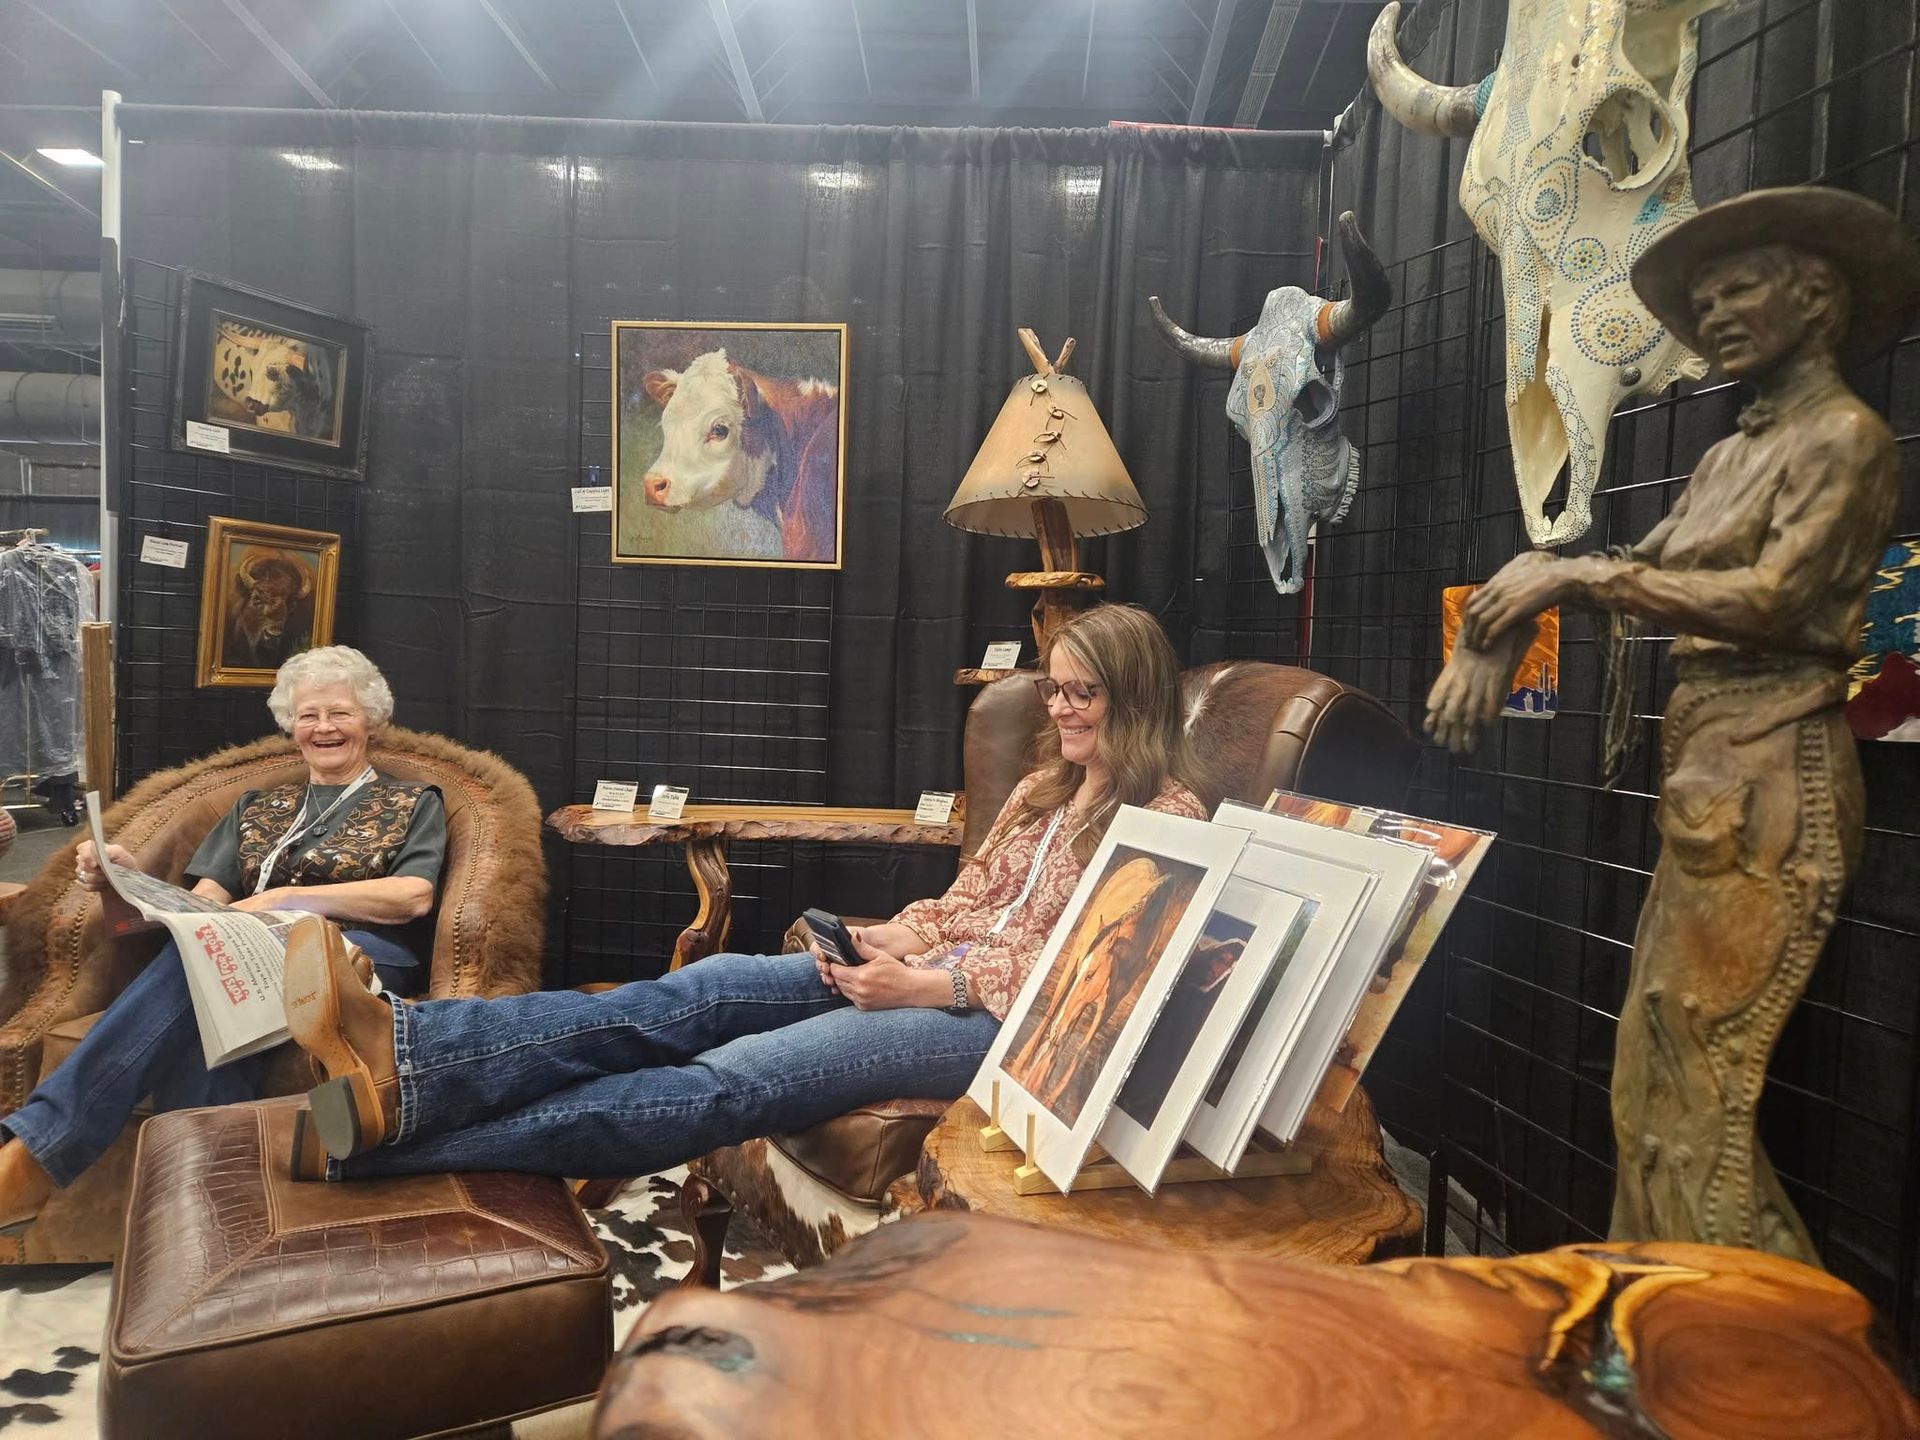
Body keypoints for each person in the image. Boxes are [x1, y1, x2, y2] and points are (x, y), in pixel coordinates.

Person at [279, 602, 1208, 1182]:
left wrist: (937, 987)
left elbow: (1099, 974)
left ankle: (379, 1146)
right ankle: (406, 1048)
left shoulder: (1170, 818)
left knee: (727, 1085)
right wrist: (896, 939)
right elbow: (970, 901)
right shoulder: (1044, 792)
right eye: (1056, 690)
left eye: (1086, 693)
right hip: (925, 977)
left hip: (1000, 1031)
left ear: (1136, 696)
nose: (1063, 709)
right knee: (697, 988)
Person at [1425, 186, 1920, 1263]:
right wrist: (1507, 619)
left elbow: (1778, 600)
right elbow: (1627, 567)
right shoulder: (1726, 456)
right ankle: (1665, 1323)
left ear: (1819, 298)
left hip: (1773, 767)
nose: (1717, 314)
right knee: (1651, 1084)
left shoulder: (1845, 438)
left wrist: (1579, 581)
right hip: (1710, 774)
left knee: (1702, 1092)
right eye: (1702, 301)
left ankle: (1747, 1358)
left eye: (1741, 285)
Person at [0, 645, 446, 1232]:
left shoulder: (410, 801)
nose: (324, 728)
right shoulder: (256, 807)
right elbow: (203, 907)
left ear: (371, 720)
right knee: (200, 972)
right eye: (308, 715)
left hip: (353, 954)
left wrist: (285, 901)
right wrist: (124, 880)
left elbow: (412, 895)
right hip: (243, 954)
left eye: (340, 713)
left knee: (204, 972)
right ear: (291, 726)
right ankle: (207, 1221)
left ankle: (36, 1155)